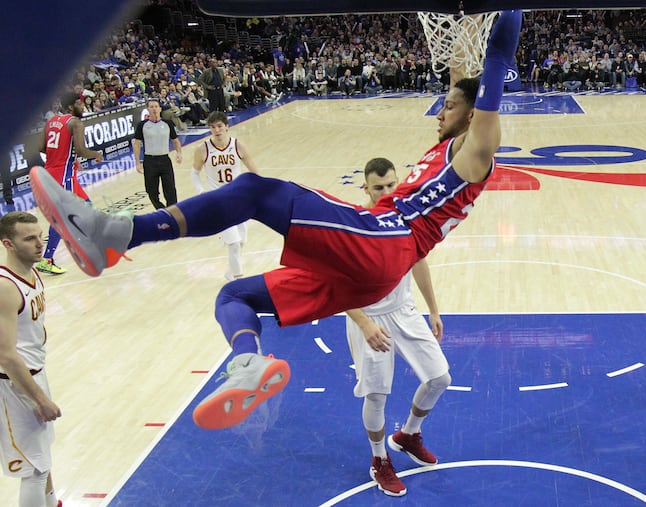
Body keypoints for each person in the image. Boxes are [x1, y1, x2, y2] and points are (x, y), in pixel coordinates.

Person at [29, 10, 522, 432]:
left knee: (255, 190)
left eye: (450, 106)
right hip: (372, 268)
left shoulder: (475, 152)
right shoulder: (447, 146)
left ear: (475, 113)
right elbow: (467, 70)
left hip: (384, 239)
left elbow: (495, 63)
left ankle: (114, 235)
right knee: (233, 295)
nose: (440, 111)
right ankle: (247, 364)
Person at [347, 158, 450, 497]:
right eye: (379, 188)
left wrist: (433, 310)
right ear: (366, 188)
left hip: (403, 309)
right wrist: (363, 324)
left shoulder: (406, 218)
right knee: (377, 394)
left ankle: (408, 434)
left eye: (392, 185)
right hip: (368, 317)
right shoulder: (352, 226)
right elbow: (335, 286)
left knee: (439, 378)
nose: (388, 192)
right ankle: (380, 459)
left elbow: (419, 261)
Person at [0, 212, 63, 507]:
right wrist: (39, 399)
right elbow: (6, 355)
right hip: (15, 385)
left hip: (35, 373)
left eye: (40, 236)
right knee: (34, 469)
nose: (40, 244)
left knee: (43, 457)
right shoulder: (5, 287)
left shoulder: (32, 270)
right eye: (29, 239)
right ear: (8, 244)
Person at [36, 92, 104, 275]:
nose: (82, 107)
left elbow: (42, 148)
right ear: (69, 107)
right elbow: (81, 150)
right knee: (62, 219)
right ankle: (48, 258)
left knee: (87, 207)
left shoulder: (51, 122)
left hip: (53, 172)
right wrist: (96, 154)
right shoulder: (75, 122)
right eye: (78, 104)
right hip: (63, 176)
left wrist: (68, 158)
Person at [191, 111, 258, 280]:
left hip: (239, 199)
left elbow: (254, 171)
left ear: (227, 126)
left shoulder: (238, 145)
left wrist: (259, 190)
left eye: (219, 126)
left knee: (241, 242)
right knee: (234, 244)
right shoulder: (202, 148)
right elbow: (194, 173)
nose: (217, 130)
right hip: (218, 201)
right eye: (213, 127)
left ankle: (230, 273)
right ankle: (238, 280)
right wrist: (200, 191)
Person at [133, 98, 183, 210]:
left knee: (170, 190)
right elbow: (136, 144)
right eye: (151, 107)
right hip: (149, 161)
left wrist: (179, 153)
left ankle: (173, 213)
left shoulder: (167, 124)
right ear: (148, 109)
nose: (154, 109)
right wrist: (137, 162)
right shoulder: (142, 125)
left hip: (165, 159)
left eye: (156, 106)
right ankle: (162, 211)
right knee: (151, 191)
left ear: (160, 109)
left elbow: (175, 140)